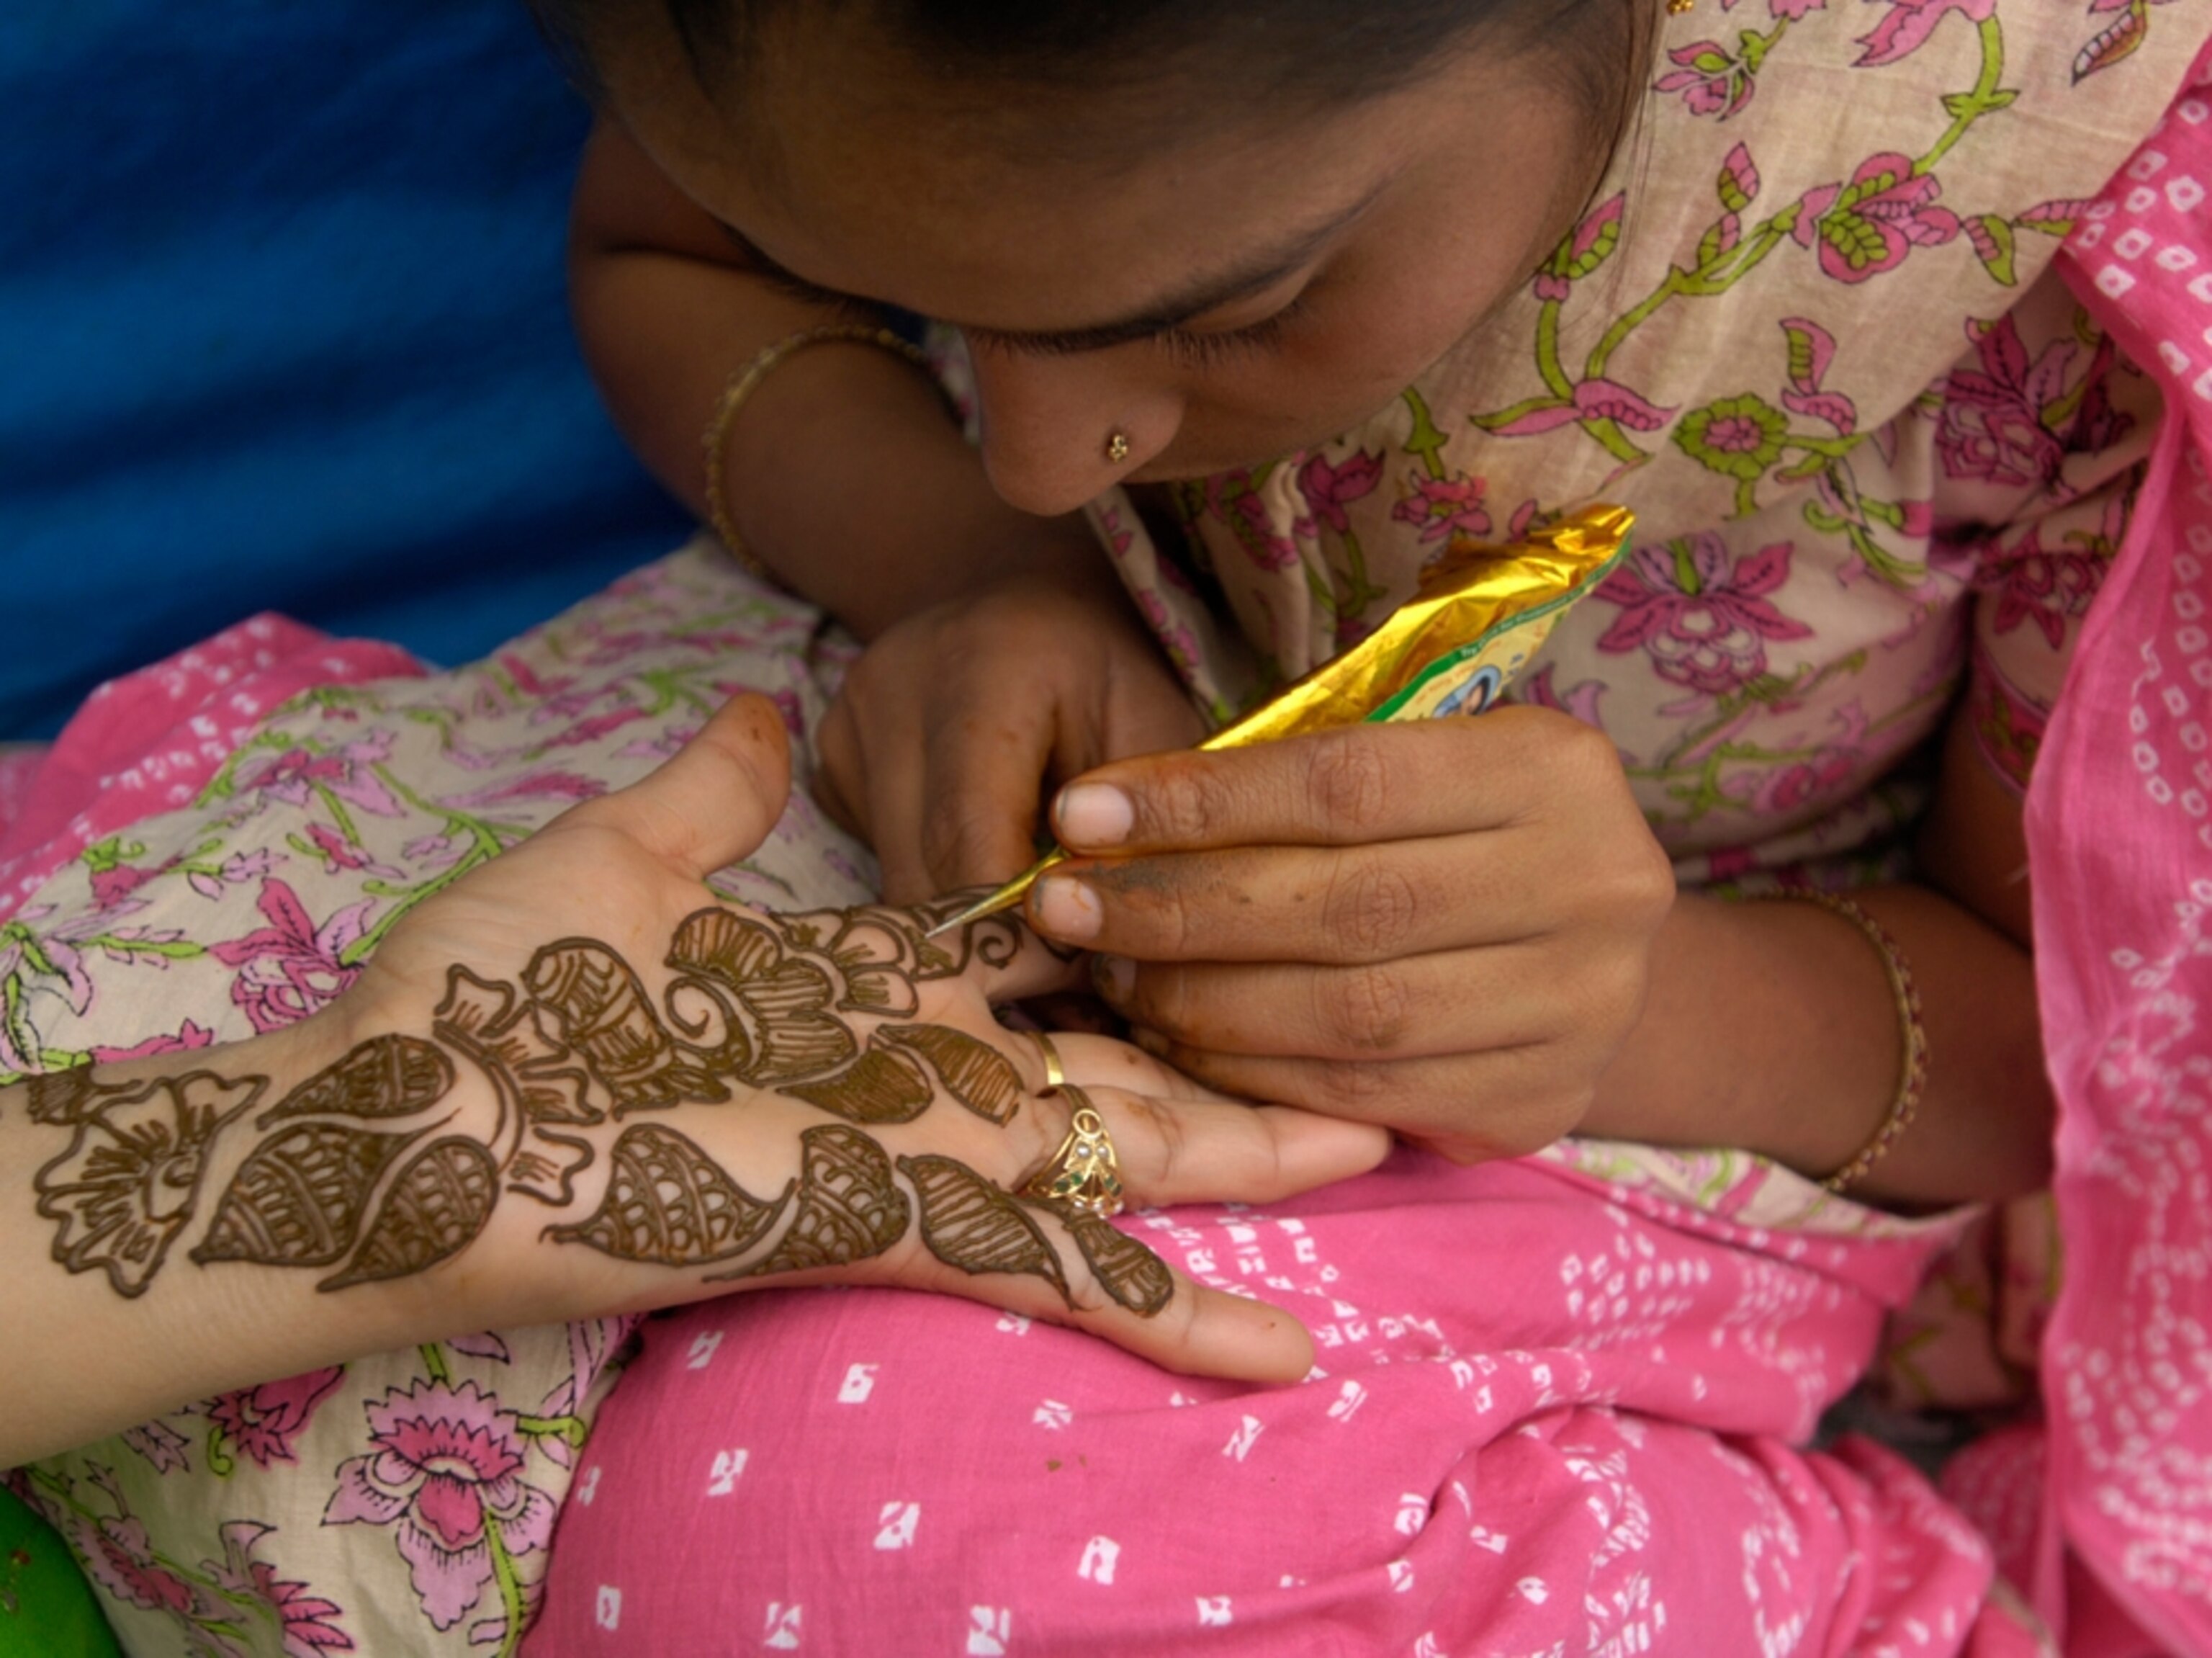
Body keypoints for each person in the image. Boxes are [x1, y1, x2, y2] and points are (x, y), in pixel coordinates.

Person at [497, 0, 2204, 1651]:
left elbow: (2055, 1060)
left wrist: (1617, 1006)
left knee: (847, 1537)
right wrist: (970, 570)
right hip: (875, 690)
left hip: (1649, 1093)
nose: (1046, 457)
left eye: (1240, 305)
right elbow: (668, 258)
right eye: (910, 296)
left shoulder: (2082, 278)